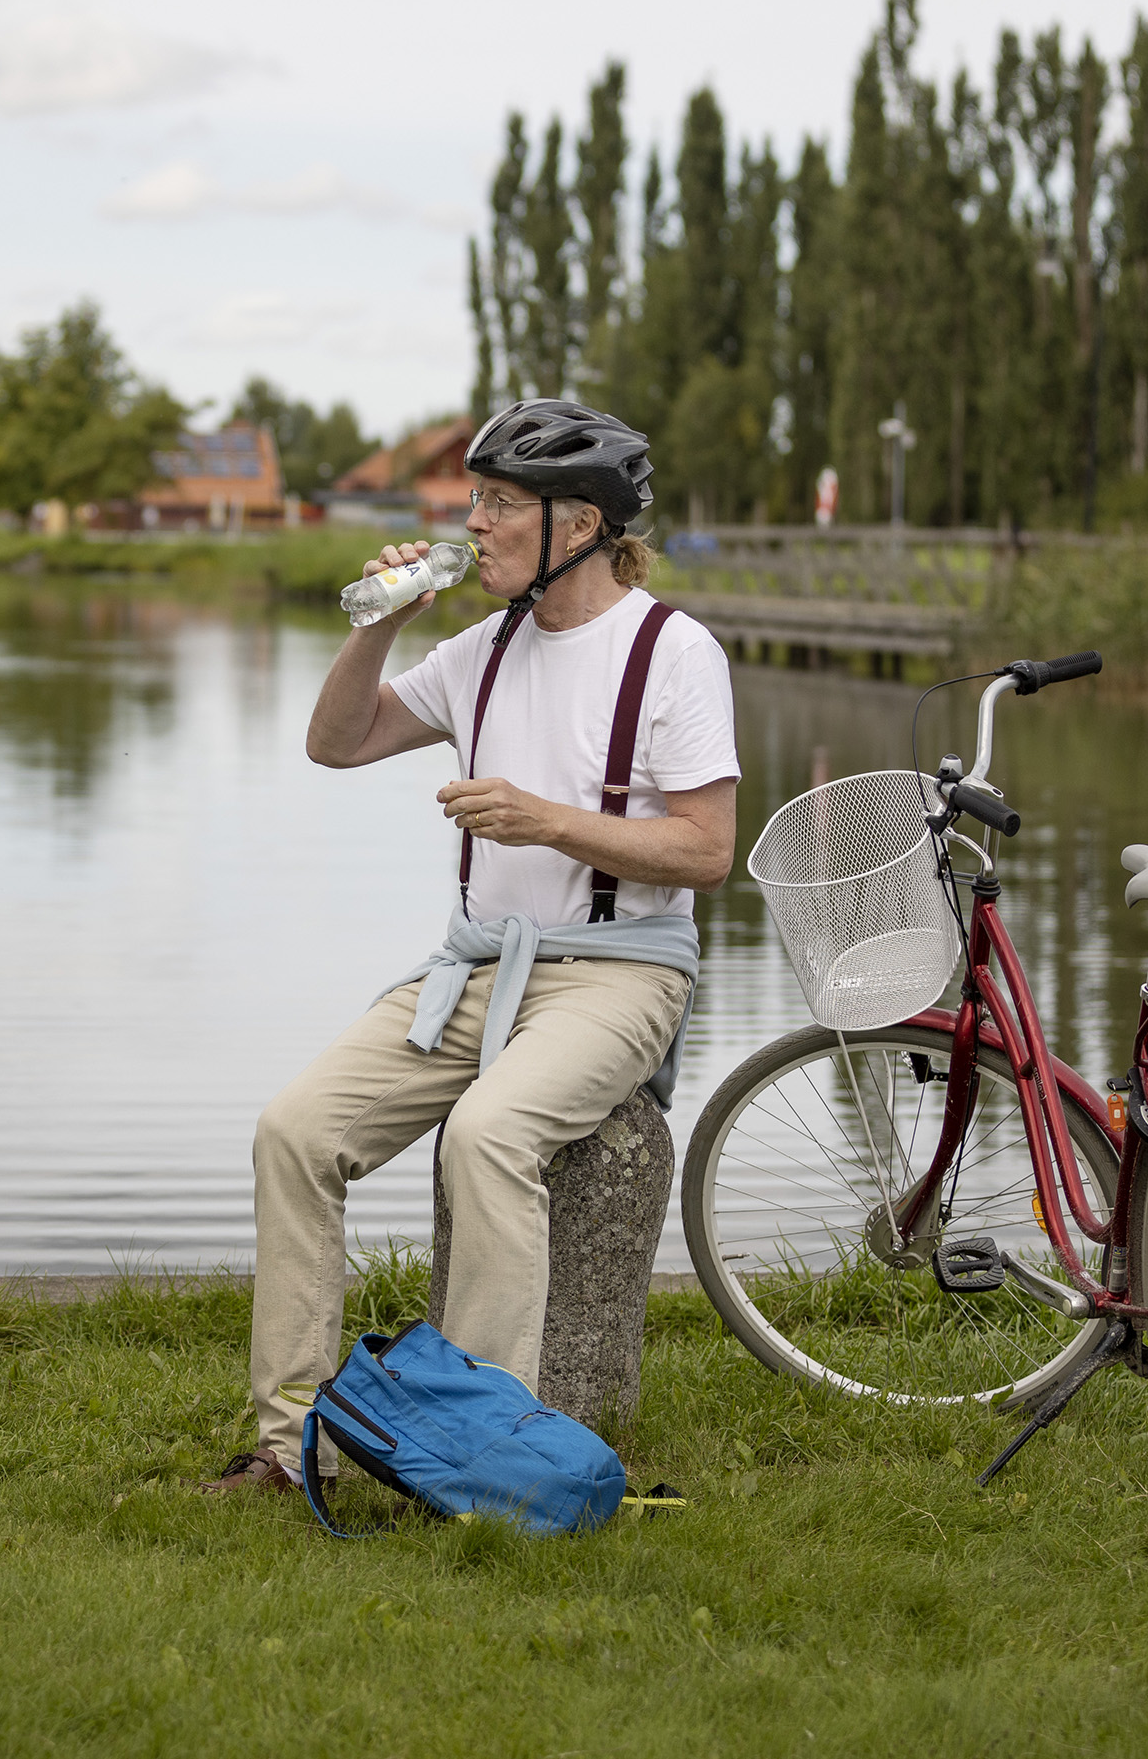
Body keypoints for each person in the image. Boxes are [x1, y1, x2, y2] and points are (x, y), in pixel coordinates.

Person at [205, 399, 738, 1495]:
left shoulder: (673, 653)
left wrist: (547, 821)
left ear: (578, 526)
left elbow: (707, 850)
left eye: (499, 503)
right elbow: (335, 743)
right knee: (294, 1133)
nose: (474, 523)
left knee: (488, 1137)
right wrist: (380, 621)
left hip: (623, 973)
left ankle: (476, 1463)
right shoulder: (481, 648)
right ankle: (291, 1448)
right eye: (475, 500)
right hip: (478, 967)